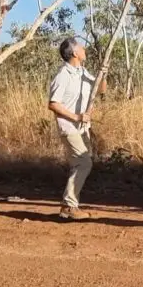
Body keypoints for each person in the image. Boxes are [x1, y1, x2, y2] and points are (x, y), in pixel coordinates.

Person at [48, 37, 104, 220]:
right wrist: (77, 117)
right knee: (83, 162)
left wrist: (104, 73)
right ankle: (69, 205)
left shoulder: (82, 71)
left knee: (80, 164)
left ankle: (71, 204)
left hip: (82, 128)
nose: (84, 48)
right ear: (74, 53)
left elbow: (100, 90)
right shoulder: (63, 75)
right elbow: (53, 104)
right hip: (69, 126)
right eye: (80, 46)